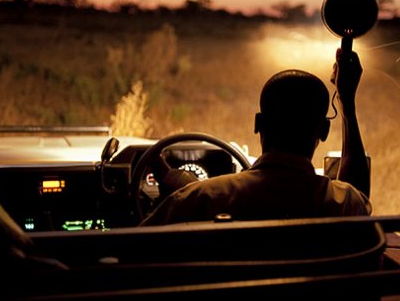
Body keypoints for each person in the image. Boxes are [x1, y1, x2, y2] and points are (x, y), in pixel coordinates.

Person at [139, 48, 371, 226]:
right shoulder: (342, 204)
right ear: (323, 131)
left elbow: (126, 250)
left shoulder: (196, 200)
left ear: (258, 124)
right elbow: (358, 195)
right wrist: (347, 102)